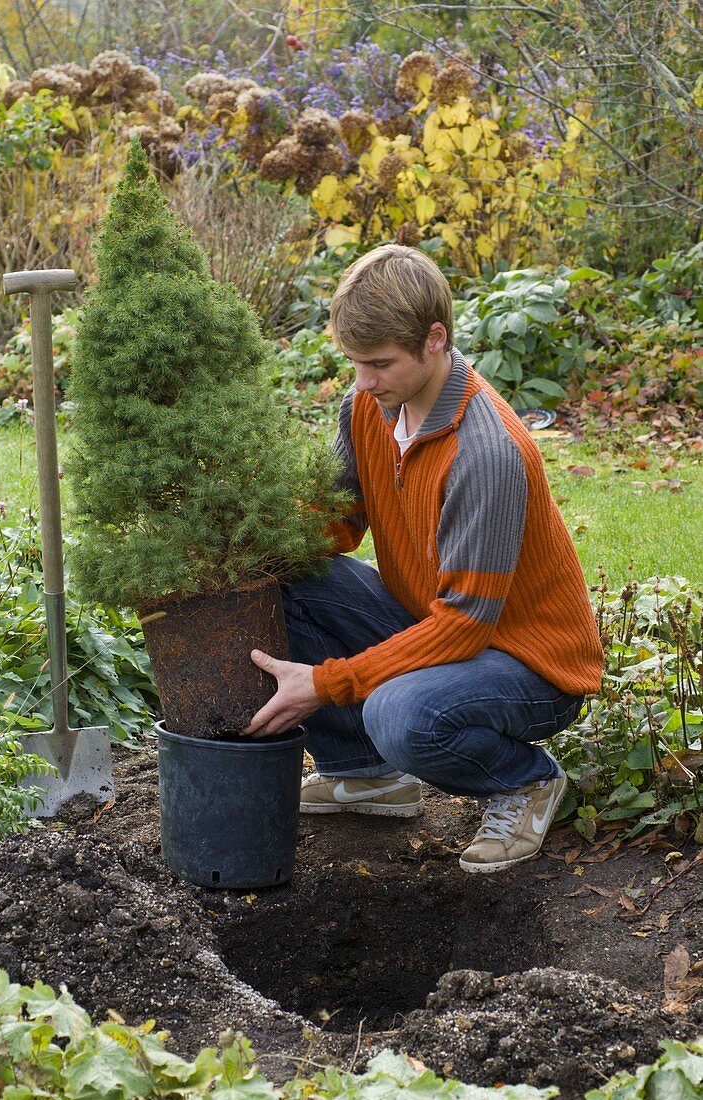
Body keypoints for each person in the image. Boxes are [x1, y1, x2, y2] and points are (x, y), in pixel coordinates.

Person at [243, 244, 604, 873]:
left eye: (379, 364)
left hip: (529, 664)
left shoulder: (485, 452)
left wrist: (326, 683)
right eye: (354, 363)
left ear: (435, 339)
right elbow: (338, 520)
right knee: (285, 579)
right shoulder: (370, 406)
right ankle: (366, 773)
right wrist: (240, 549)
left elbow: (465, 625)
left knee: (400, 714)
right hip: (437, 626)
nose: (363, 381)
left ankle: (524, 781)